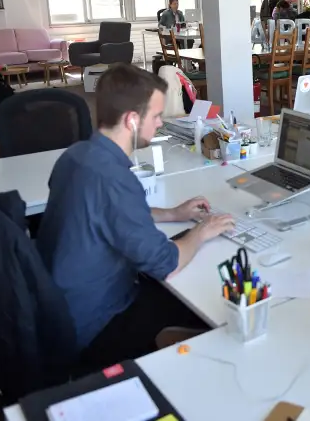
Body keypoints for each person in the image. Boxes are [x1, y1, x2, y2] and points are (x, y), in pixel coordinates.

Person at [37, 64, 235, 370]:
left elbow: (106, 212)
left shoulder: (76, 156)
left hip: (63, 307)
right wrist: (202, 231)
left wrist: (173, 213)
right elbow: (166, 263)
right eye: (156, 116)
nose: (160, 123)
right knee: (208, 310)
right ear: (131, 120)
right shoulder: (114, 178)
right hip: (97, 325)